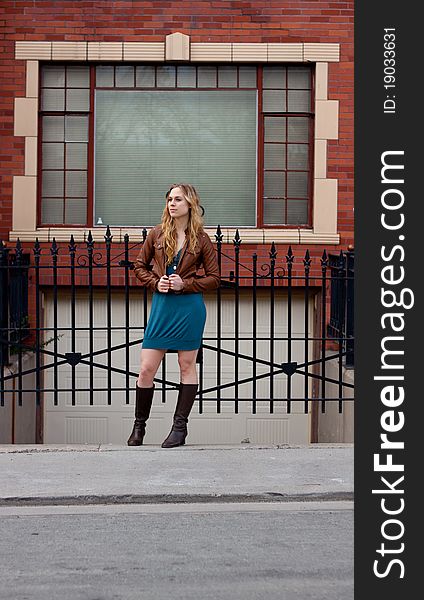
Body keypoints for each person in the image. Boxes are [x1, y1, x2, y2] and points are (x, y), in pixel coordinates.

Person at [127, 183, 220, 448]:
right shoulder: (156, 234)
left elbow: (215, 279)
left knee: (186, 366)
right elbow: (139, 266)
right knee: (146, 369)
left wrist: (186, 284)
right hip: (162, 306)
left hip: (189, 308)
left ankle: (179, 429)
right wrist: (155, 282)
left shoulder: (201, 240)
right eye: (169, 199)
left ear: (190, 204)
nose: (172, 203)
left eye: (178, 199)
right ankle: (139, 426)